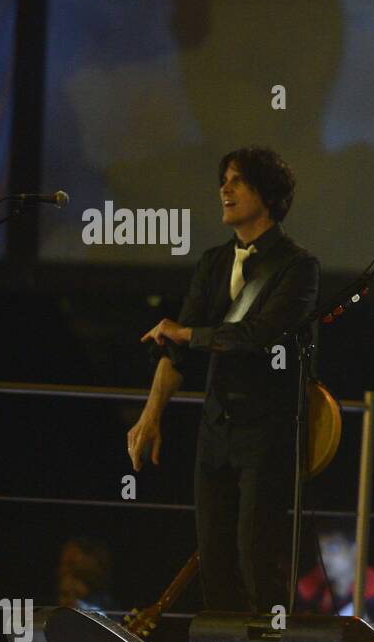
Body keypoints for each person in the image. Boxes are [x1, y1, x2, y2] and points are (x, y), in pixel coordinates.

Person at [127, 146, 319, 612]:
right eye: (223, 180)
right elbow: (177, 352)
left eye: (238, 181)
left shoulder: (298, 267)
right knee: (214, 563)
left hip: (268, 431)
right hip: (215, 432)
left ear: (267, 195)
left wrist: (186, 332)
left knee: (258, 558)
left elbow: (256, 336)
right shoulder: (213, 262)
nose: (225, 190)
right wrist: (150, 415)